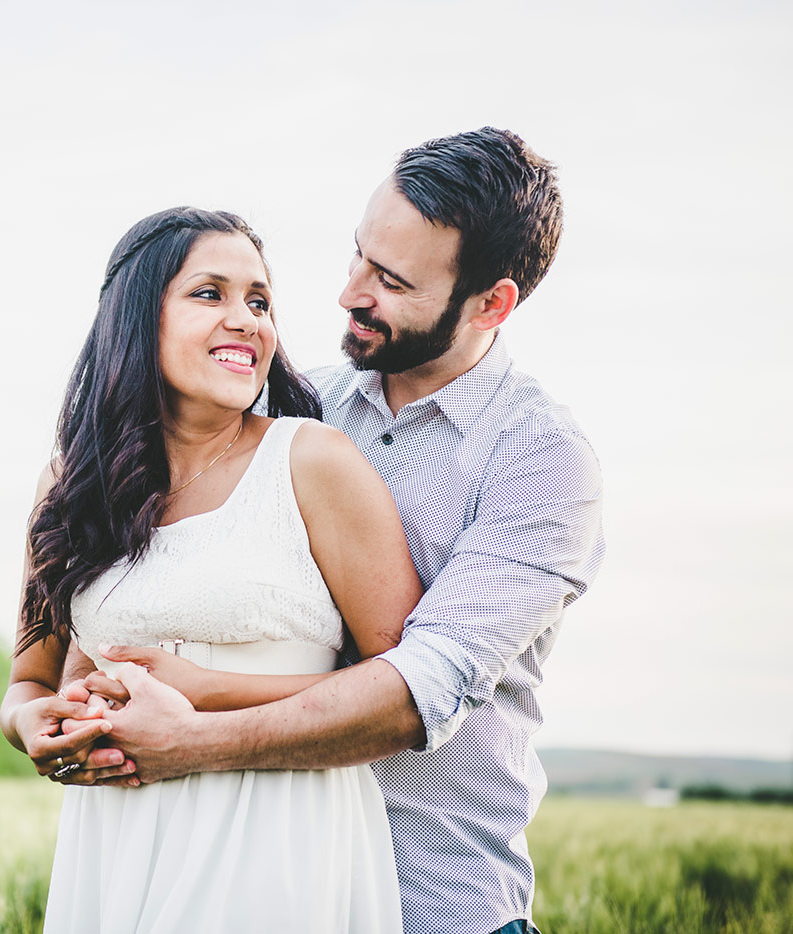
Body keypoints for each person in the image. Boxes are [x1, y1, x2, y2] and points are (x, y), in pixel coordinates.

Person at [81, 128, 605, 934]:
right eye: (358, 255)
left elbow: (412, 695)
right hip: (255, 892)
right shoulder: (283, 407)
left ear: (491, 303)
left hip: (438, 906)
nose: (350, 292)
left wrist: (187, 736)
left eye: (391, 280)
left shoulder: (540, 464)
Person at [0, 207, 425, 931]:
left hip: (279, 835)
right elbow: (29, 681)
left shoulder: (313, 461)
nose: (248, 320)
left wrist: (208, 694)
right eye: (211, 293)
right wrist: (34, 723)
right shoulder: (71, 486)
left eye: (259, 301)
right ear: (137, 317)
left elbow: (404, 693)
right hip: (118, 842)